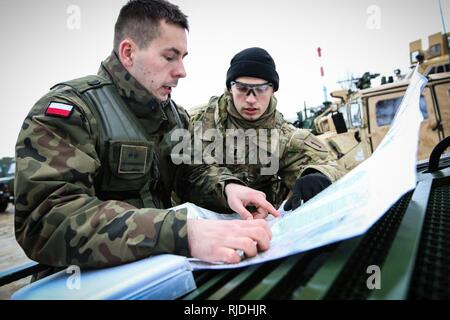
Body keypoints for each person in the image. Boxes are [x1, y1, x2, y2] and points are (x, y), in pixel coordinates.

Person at [14, 0, 279, 269]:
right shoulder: (71, 112)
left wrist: (228, 189)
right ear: (128, 52)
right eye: (169, 56)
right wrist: (180, 233)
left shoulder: (174, 117)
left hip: (165, 271)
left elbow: (194, 172)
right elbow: (45, 220)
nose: (182, 72)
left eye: (183, 58)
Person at [187, 47, 347, 213]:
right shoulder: (194, 121)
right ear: (230, 88)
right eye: (242, 88)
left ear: (273, 90)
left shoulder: (284, 136)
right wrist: (227, 187)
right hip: (197, 222)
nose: (250, 99)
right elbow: (187, 172)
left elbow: (333, 167)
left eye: (261, 89)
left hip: (258, 222)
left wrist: (318, 176)